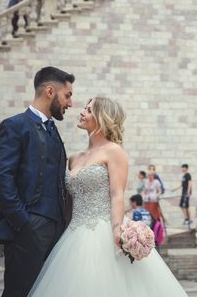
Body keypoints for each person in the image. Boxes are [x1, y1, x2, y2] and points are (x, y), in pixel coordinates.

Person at [28, 96, 188, 296]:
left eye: (88, 110)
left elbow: (117, 194)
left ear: (102, 118)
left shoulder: (114, 152)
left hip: (104, 230)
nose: (82, 112)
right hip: (73, 234)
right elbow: (68, 199)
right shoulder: (73, 158)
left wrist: (117, 230)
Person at [0, 66, 74, 297]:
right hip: (28, 229)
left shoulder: (53, 130)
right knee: (19, 292)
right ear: (49, 91)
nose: (70, 103)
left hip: (56, 231)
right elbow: (2, 178)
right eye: (67, 95)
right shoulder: (14, 125)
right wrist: (24, 224)